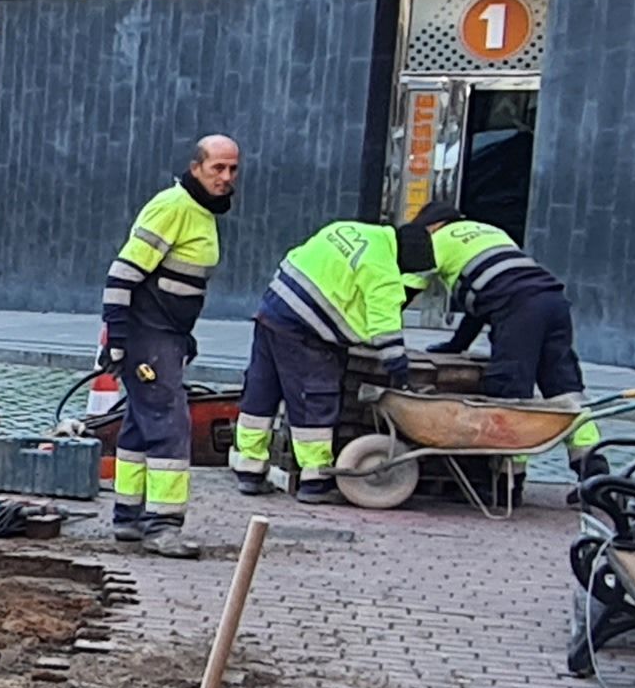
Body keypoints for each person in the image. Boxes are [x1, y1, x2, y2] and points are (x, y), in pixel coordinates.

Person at [97, 135, 238, 557]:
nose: (226, 177)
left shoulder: (199, 212)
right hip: (148, 337)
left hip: (162, 336)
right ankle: (163, 525)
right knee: (170, 425)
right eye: (217, 168)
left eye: (232, 169)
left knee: (141, 426)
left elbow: (174, 283)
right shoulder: (173, 207)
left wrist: (181, 333)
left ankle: (129, 517)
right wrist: (119, 338)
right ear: (196, 167)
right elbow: (122, 274)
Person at [234, 217, 433, 502]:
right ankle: (315, 481)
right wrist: (399, 370)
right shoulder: (384, 269)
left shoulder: (348, 229)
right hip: (306, 331)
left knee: (261, 392)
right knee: (313, 397)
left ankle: (249, 471)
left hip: (273, 309)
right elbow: (385, 326)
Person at [421, 213, 604, 479]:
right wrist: (455, 345)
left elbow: (406, 290)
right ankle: (594, 471)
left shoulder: (437, 241)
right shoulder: (491, 230)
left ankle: (510, 478)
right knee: (565, 389)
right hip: (552, 300)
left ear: (432, 226)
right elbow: (483, 301)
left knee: (511, 391)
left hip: (520, 308)